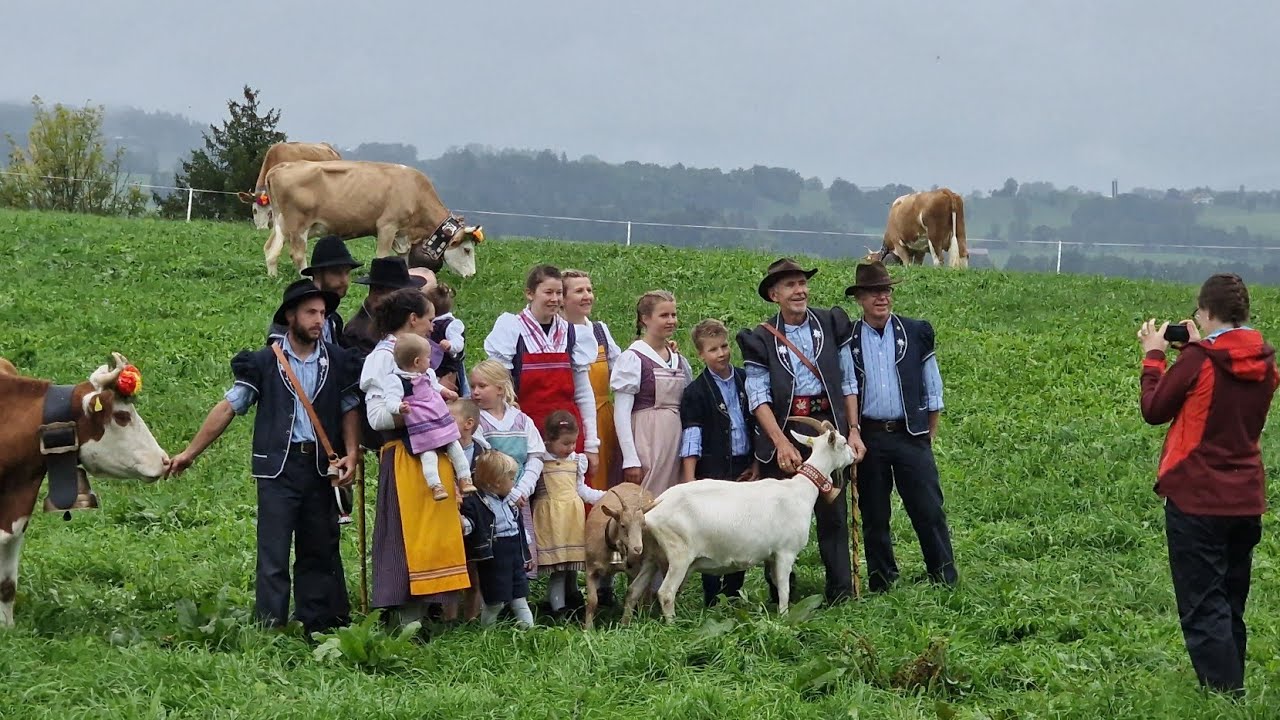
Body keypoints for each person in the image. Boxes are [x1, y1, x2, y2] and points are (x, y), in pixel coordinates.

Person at [167, 279, 361, 634]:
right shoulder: (263, 362)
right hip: (278, 469)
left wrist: (351, 453)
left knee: (319, 547)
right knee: (272, 552)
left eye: (322, 313)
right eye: (310, 312)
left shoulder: (337, 360)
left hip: (321, 468)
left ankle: (316, 624)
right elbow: (229, 406)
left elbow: (349, 406)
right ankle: (270, 625)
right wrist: (190, 453)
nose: (319, 320)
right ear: (291, 316)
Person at [1138, 272, 1278, 697]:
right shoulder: (1266, 361)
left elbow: (1154, 408)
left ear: (1208, 312)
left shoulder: (1200, 361)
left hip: (1196, 497)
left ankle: (1225, 698)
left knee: (1203, 605)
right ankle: (1230, 685)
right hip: (1245, 497)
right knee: (1230, 599)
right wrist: (1198, 348)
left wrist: (1154, 357)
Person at [736, 257, 864, 606]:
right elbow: (758, 395)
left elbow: (848, 380)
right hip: (787, 436)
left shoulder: (830, 323)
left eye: (803, 283)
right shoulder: (761, 339)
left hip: (828, 437)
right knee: (775, 518)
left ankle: (840, 592)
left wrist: (852, 430)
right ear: (774, 294)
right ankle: (783, 597)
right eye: (791, 285)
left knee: (833, 514)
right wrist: (779, 442)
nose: (800, 290)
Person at [844, 259, 957, 594]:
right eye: (873, 292)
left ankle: (944, 575)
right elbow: (848, 385)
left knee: (928, 508)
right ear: (860, 299)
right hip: (871, 437)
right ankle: (882, 579)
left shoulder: (915, 331)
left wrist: (928, 434)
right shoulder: (847, 338)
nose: (882, 298)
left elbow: (931, 385)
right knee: (875, 513)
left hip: (911, 435)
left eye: (886, 291)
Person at [361, 287, 471, 626]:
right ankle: (406, 619)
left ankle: (426, 614)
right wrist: (417, 415)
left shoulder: (418, 359)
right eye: (428, 319)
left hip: (433, 454)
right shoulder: (383, 359)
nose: (432, 326)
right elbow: (377, 417)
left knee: (433, 536)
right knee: (408, 536)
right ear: (412, 319)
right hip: (406, 458)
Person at [483, 264, 600, 475]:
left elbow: (583, 392)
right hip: (524, 431)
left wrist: (591, 443)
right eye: (548, 292)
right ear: (530, 293)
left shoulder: (573, 334)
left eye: (559, 293)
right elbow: (498, 387)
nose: (555, 299)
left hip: (568, 434)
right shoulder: (511, 329)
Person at [679, 318, 759, 607]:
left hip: (743, 467)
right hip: (712, 470)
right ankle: (712, 595)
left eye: (724, 346)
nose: (721, 353)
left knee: (741, 529)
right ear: (701, 354)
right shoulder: (696, 392)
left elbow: (755, 424)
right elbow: (692, 435)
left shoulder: (745, 379)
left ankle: (735, 590)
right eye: (713, 349)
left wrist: (756, 463)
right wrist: (690, 478)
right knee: (713, 531)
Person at [611, 290, 693, 498]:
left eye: (673, 315)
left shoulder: (677, 358)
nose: (671, 321)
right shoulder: (633, 358)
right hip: (646, 438)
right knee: (645, 498)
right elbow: (621, 412)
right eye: (664, 316)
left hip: (675, 438)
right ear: (645, 319)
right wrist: (631, 458)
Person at [470, 359, 546, 581]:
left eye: (482, 386)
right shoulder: (476, 422)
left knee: (520, 545)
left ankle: (518, 594)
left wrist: (523, 488)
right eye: (473, 386)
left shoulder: (522, 421)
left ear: (500, 388)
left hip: (518, 498)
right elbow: (481, 460)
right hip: (488, 499)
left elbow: (536, 456)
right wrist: (506, 491)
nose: (475, 392)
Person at [533, 410, 607, 618]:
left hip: (572, 519)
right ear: (548, 440)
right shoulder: (540, 462)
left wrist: (604, 497)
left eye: (573, 443)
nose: (571, 448)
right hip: (551, 519)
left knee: (569, 566)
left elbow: (581, 490)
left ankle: (561, 601)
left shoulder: (577, 462)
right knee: (558, 568)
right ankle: (558, 608)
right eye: (566, 444)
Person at [387, 332, 473, 501]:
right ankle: (435, 485)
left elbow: (435, 387)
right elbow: (390, 400)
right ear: (417, 362)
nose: (430, 361)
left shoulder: (429, 374)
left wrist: (446, 392)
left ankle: (465, 477)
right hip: (421, 422)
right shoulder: (397, 380)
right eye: (428, 358)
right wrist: (398, 407)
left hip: (437, 417)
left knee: (453, 444)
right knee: (428, 454)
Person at [560, 269, 623, 492]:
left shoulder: (599, 330)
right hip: (573, 418)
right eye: (579, 291)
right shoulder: (557, 335)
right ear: (562, 298)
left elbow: (622, 370)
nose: (587, 295)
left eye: (589, 289)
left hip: (604, 419)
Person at [459, 450, 535, 628]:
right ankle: (488, 635)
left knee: (520, 599)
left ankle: (531, 635)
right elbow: (471, 525)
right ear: (496, 482)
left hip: (514, 554)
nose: (514, 482)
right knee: (495, 603)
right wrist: (461, 523)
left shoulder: (510, 501)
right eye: (511, 478)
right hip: (494, 557)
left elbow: (520, 529)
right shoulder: (475, 503)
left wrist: (526, 553)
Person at [266, 234, 362, 346]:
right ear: (317, 273)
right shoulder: (296, 312)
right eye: (337, 273)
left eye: (347, 273)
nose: (344, 280)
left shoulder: (334, 320)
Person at [427, 283, 470, 398]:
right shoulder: (433, 323)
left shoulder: (450, 325)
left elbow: (459, 342)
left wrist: (450, 345)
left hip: (446, 367)